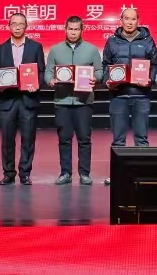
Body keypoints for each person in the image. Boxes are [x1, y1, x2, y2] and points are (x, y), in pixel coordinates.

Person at [101, 6, 157, 184]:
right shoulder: (112, 41)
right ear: (121, 21)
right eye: (126, 18)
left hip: (141, 96)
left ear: (138, 21)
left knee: (141, 138)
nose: (130, 22)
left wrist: (149, 79)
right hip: (118, 96)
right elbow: (105, 65)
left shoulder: (148, 40)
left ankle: (143, 174)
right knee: (118, 139)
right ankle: (117, 175)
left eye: (133, 19)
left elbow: (154, 65)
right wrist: (107, 81)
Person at [45, 15, 104, 185]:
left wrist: (95, 78)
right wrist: (50, 81)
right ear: (65, 29)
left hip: (83, 101)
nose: (73, 32)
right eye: (70, 29)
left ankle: (84, 173)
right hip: (62, 101)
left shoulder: (92, 50)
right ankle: (65, 173)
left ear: (81, 30)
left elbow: (100, 71)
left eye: (76, 29)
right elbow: (48, 72)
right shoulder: (55, 50)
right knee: (64, 139)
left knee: (84, 139)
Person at [0, 11, 46, 184]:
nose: (17, 27)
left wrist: (37, 84)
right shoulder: (0, 49)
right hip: (8, 100)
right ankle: (8, 173)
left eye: (20, 24)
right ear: (8, 26)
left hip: (28, 99)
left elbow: (41, 71)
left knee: (28, 139)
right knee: (7, 140)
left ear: (26, 27)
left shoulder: (36, 47)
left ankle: (25, 173)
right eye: (14, 24)